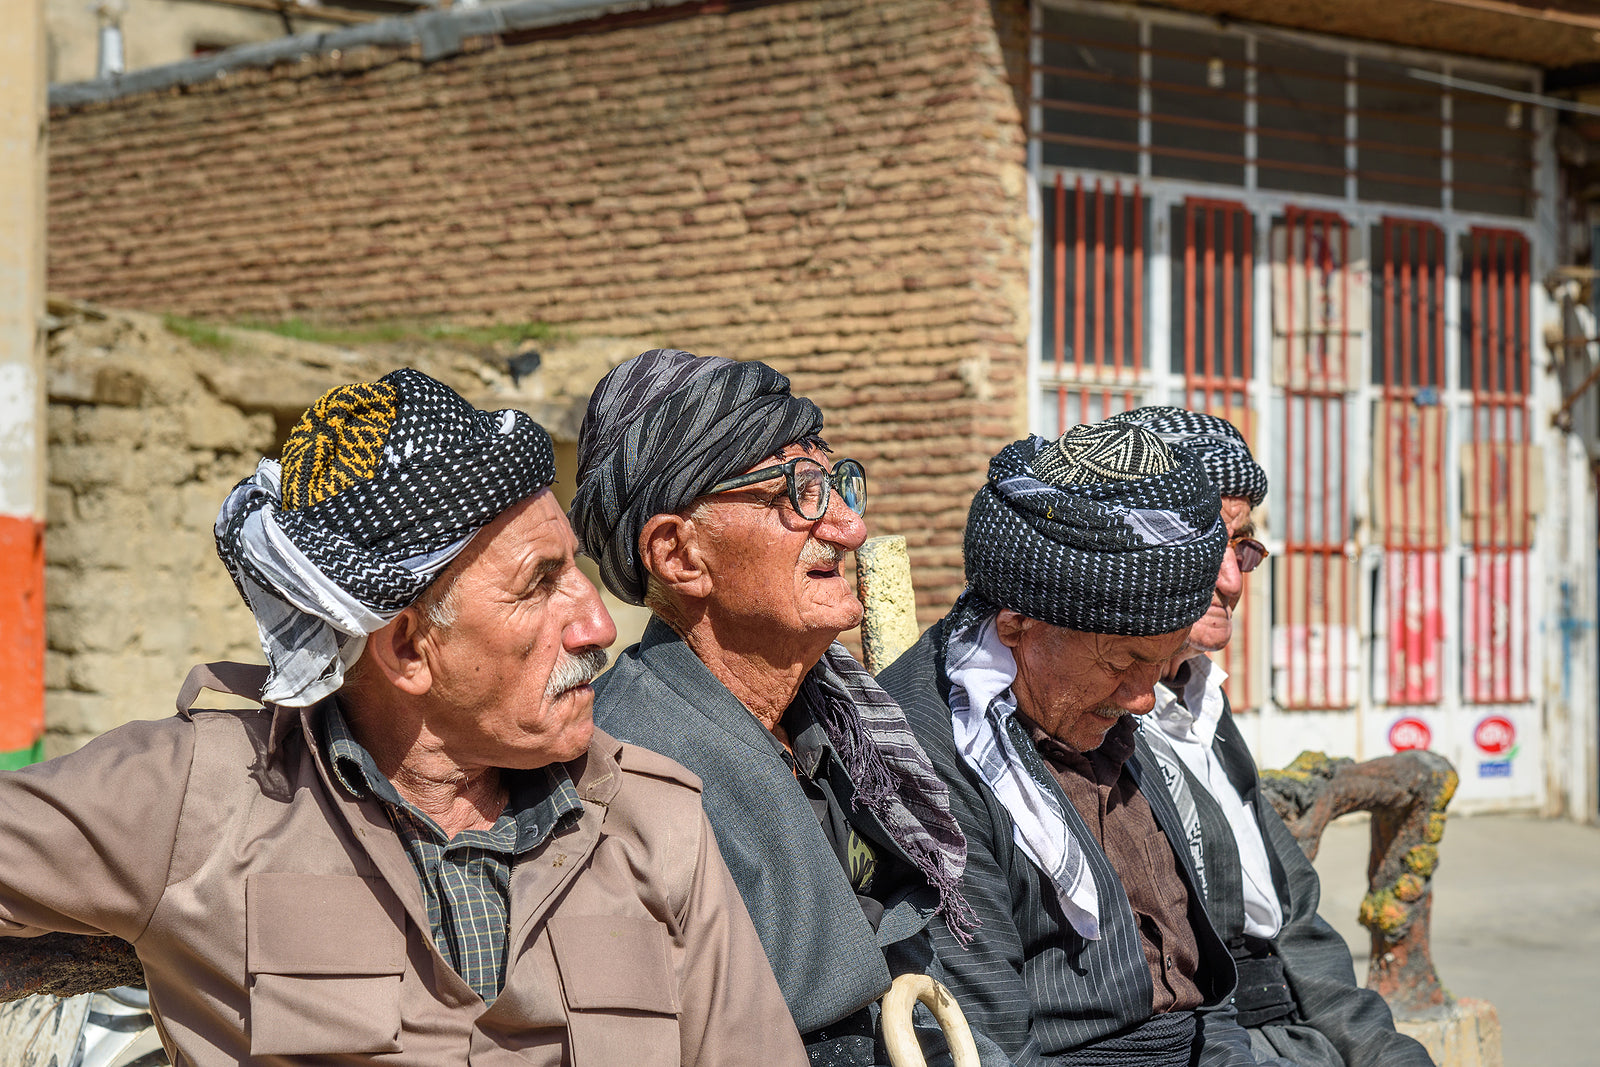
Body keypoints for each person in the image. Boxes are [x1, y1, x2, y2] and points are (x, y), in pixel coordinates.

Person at [0, 369, 805, 1066]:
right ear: (408, 647)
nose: (597, 624)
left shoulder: (656, 823)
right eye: (540, 583)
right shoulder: (197, 798)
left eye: (579, 572)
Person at [569, 349, 999, 1066]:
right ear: (680, 555)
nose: (848, 527)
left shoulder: (840, 727)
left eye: (837, 482)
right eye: (799, 491)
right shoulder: (630, 771)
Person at [878, 420, 1294, 1067]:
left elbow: (1211, 999)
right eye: (1124, 661)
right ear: (1017, 625)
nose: (1143, 697)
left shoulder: (1099, 715)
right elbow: (989, 1042)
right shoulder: (928, 750)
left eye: (1157, 664)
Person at [1109, 406, 1432, 1067]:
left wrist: (1387, 1052)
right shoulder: (1094, 722)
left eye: (1242, 548)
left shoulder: (1203, 704)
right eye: (1208, 544)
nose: (1231, 581)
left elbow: (1299, 926)